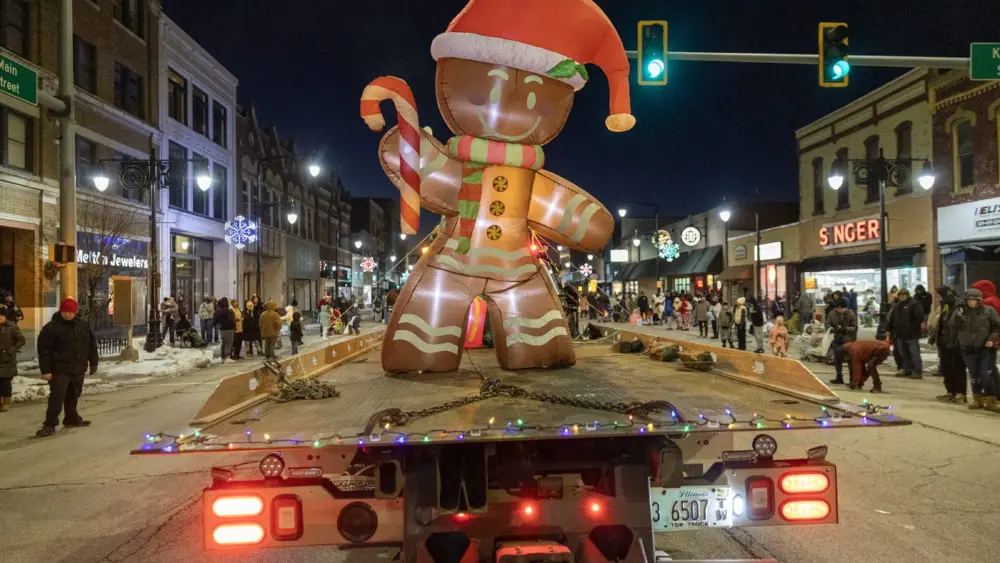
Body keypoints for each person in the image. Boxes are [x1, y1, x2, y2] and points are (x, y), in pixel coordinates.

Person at [35, 298, 98, 437]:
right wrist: (46, 370)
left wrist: (93, 363)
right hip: (59, 369)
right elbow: (44, 350)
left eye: (70, 312)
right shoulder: (52, 327)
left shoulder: (83, 325)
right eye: (65, 312)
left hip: (78, 368)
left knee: (74, 394)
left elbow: (92, 345)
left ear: (75, 312)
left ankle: (71, 418)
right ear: (60, 311)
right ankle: (50, 424)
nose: (68, 315)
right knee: (57, 397)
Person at [951, 287, 1000, 412]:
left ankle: (991, 401)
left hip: (985, 347)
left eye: (975, 300)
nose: (972, 303)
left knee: (987, 374)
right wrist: (957, 314)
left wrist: (992, 339)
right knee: (974, 375)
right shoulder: (960, 312)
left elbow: (997, 326)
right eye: (969, 300)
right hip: (967, 348)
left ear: (980, 300)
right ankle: (977, 399)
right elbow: (953, 326)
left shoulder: (988, 311)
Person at [930, 286, 965, 403]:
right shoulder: (945, 305)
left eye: (939, 294)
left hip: (955, 343)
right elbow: (941, 322)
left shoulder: (958, 305)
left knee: (957, 368)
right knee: (946, 368)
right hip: (944, 342)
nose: (938, 296)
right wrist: (935, 336)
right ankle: (950, 391)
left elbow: (959, 324)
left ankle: (960, 393)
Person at [887, 287, 925, 379]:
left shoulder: (914, 304)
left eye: (904, 294)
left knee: (914, 353)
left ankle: (917, 371)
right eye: (900, 295)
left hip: (912, 335)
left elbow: (919, 317)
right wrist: (889, 330)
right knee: (903, 353)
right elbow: (892, 319)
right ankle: (907, 369)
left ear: (907, 295)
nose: (902, 296)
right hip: (900, 334)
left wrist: (911, 328)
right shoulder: (897, 306)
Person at [826, 297, 858, 385]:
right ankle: (839, 377)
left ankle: (852, 379)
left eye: (842, 308)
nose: (840, 310)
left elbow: (855, 326)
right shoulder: (832, 314)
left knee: (850, 360)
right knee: (837, 359)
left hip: (848, 339)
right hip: (836, 338)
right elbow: (827, 323)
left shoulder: (851, 313)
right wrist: (832, 328)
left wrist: (846, 329)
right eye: (838, 308)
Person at [0, 306, 25, 412]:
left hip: (7, 360)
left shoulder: (12, 327)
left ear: (5, 316)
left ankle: (6, 402)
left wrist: (11, 351)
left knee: (5, 382)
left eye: (1, 316)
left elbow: (21, 340)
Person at [214, 298, 236, 363]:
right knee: (229, 344)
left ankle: (222, 357)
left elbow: (215, 321)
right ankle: (227, 357)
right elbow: (232, 321)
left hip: (222, 329)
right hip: (229, 329)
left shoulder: (218, 311)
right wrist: (234, 327)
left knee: (223, 344)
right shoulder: (229, 311)